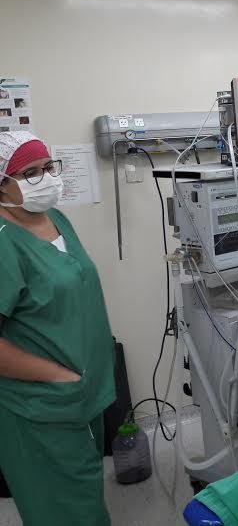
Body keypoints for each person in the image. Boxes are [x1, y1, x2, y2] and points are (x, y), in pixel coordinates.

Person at [0, 131, 115, 525]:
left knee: (85, 495)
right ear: (2, 185)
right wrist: (58, 377)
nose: (46, 179)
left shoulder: (55, 219)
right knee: (66, 513)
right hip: (39, 407)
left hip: (83, 395)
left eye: (49, 167)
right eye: (30, 173)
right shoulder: (4, 243)